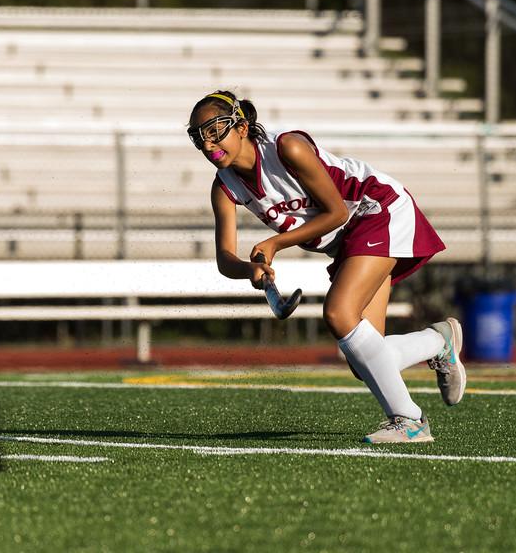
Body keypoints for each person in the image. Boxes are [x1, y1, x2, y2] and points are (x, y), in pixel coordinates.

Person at [187, 90, 466, 443]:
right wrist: (249, 270)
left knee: (338, 314)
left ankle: (410, 420)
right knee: (365, 363)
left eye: (216, 131)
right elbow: (225, 258)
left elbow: (336, 212)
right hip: (349, 238)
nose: (209, 145)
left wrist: (275, 243)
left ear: (241, 126)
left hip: (376, 208)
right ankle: (437, 341)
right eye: (199, 138)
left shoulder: (287, 147)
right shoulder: (224, 186)